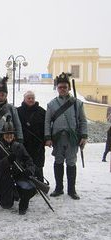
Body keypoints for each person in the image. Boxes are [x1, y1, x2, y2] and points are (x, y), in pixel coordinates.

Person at [44, 72, 88, 200]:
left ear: (69, 88)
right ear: (57, 88)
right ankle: (58, 188)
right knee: (58, 162)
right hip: (57, 138)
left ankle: (71, 190)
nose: (62, 89)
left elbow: (83, 121)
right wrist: (47, 137)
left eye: (65, 87)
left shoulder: (77, 103)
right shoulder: (51, 104)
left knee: (71, 163)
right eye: (60, 87)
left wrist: (84, 136)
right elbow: (47, 122)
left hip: (72, 138)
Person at [0, 118, 36, 215]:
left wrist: (29, 170)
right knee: (6, 205)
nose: (9, 136)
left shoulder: (19, 146)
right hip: (4, 178)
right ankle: (13, 193)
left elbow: (29, 161)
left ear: (14, 135)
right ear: (3, 135)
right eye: (6, 134)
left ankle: (23, 202)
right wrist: (7, 160)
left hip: (18, 175)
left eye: (11, 134)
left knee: (31, 188)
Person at [17, 91, 46, 182]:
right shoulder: (18, 111)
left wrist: (47, 139)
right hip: (24, 143)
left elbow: (46, 126)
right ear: (24, 99)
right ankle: (25, 184)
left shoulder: (41, 111)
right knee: (24, 163)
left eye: (32, 98)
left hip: (38, 143)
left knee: (38, 164)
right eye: (28, 98)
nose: (31, 100)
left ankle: (40, 182)